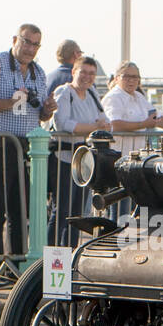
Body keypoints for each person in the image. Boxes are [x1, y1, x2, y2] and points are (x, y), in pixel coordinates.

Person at [0, 24, 57, 286]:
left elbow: (38, 112)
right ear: (15, 40)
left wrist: (48, 110)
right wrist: (12, 101)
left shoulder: (38, 72)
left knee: (21, 209)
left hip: (25, 146)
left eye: (36, 45)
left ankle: (16, 267)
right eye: (27, 42)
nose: (30, 49)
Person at [49, 55, 113, 246]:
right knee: (61, 209)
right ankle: (49, 252)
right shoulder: (64, 92)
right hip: (64, 158)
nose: (87, 77)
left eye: (91, 73)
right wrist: (93, 127)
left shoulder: (92, 93)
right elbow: (64, 123)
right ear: (73, 72)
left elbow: (106, 122)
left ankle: (70, 251)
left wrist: (93, 126)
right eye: (83, 72)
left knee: (78, 212)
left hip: (85, 161)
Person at [100, 61, 163, 156]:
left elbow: (157, 118)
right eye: (126, 77)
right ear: (116, 78)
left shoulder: (139, 97)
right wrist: (143, 124)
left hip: (137, 156)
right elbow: (114, 124)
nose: (131, 80)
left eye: (135, 77)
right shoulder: (113, 97)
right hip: (117, 155)